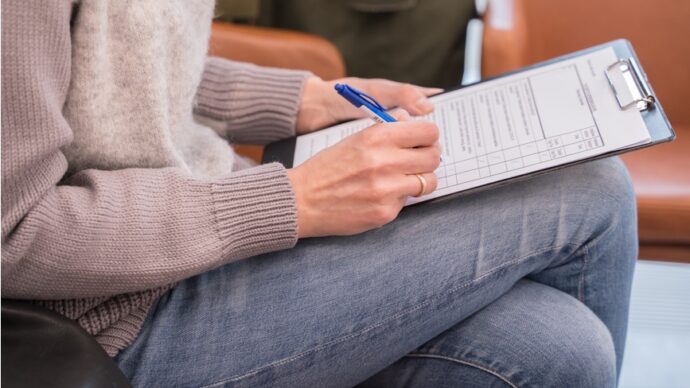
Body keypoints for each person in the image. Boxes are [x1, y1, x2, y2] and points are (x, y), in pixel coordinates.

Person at [1, 2, 636, 387]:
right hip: (101, 320)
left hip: (190, 238)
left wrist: (303, 101)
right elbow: (13, 232)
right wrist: (291, 201)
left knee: (563, 350)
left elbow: (112, 69)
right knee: (589, 186)